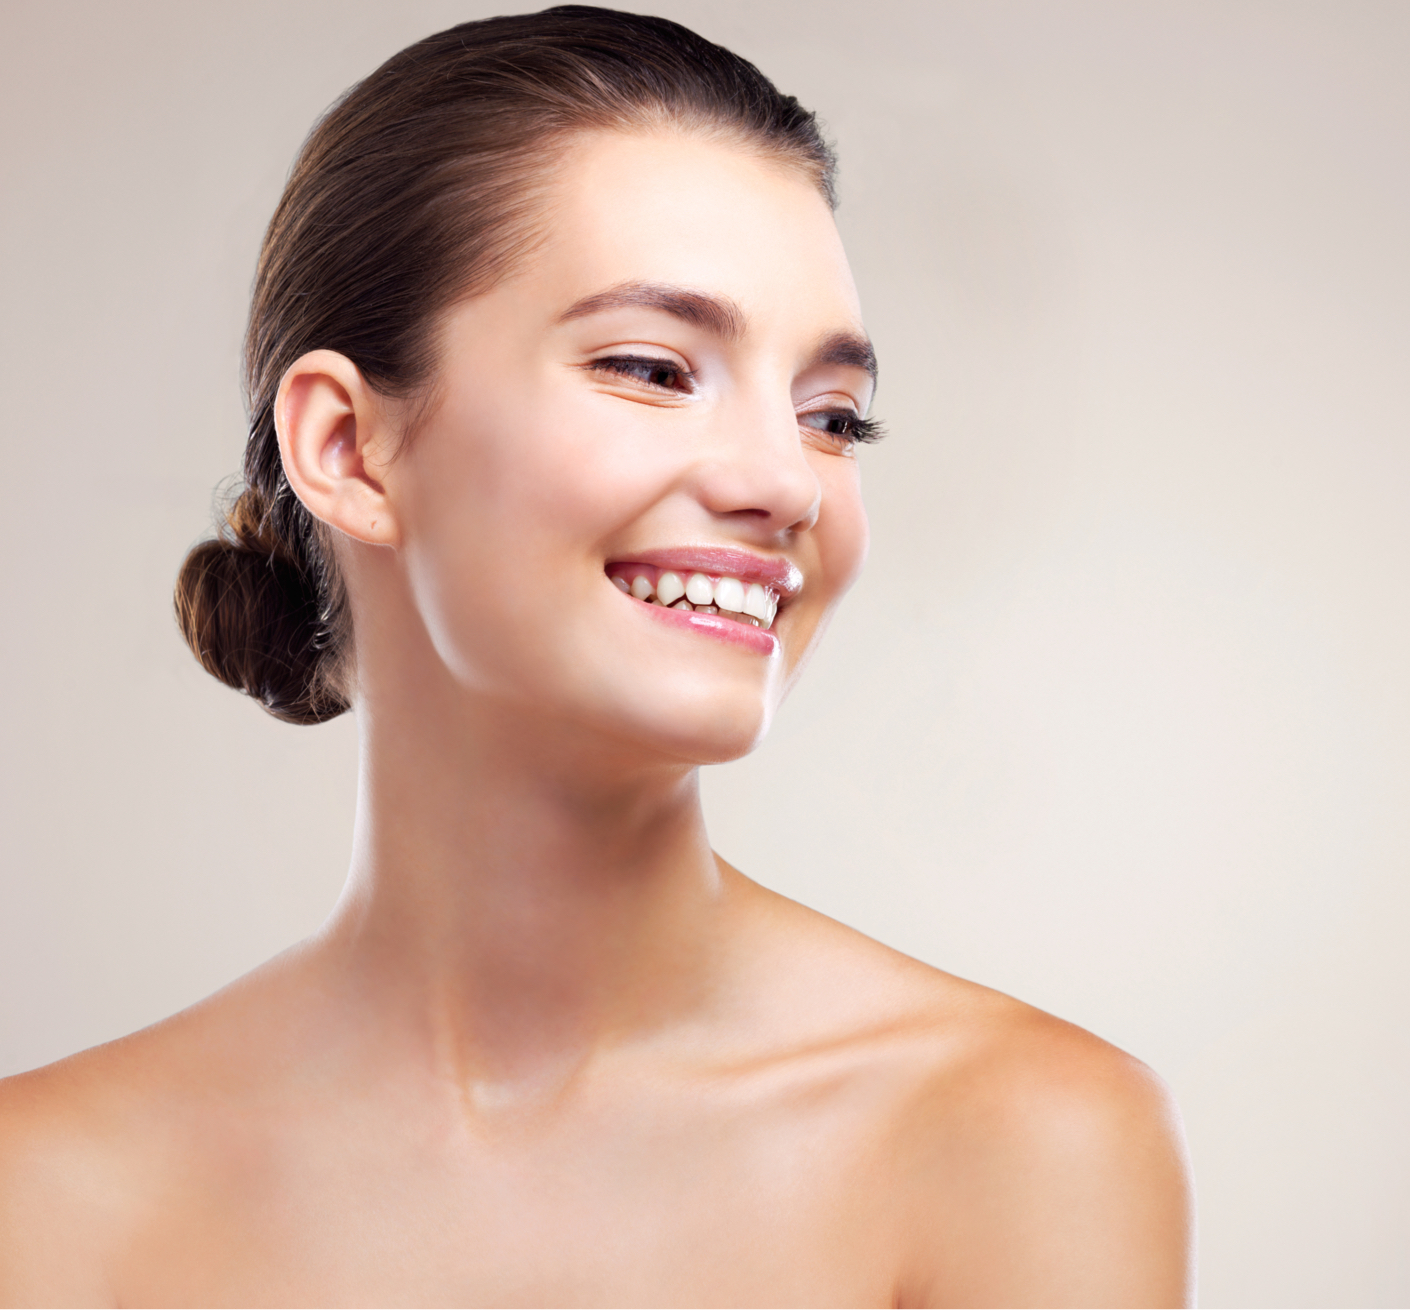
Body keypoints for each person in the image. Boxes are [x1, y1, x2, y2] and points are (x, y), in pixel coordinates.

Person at [0, 8, 1193, 1305]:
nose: (781, 479)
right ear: (346, 448)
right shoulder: (46, 1193)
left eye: (832, 413)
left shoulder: (1014, 1140)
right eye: (650, 366)